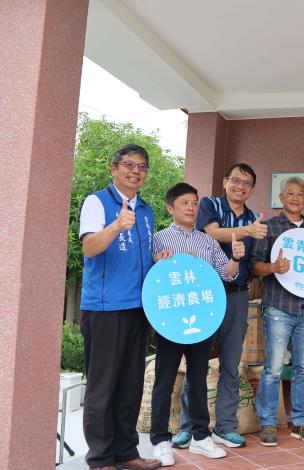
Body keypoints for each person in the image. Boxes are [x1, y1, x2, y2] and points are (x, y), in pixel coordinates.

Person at [172, 163, 268, 450]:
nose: (240, 186)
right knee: (197, 363)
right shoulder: (210, 205)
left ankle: (225, 427)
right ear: (225, 181)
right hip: (205, 293)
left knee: (230, 364)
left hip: (238, 295)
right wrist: (248, 230)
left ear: (252, 188)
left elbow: (250, 261)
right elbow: (210, 233)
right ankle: (189, 427)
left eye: (247, 183)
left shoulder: (253, 216)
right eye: (236, 180)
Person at [149, 183, 246, 466]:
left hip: (201, 321)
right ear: (170, 208)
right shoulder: (159, 239)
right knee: (164, 381)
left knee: (198, 378)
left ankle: (201, 437)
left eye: (194, 203)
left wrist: (236, 258)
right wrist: (158, 261)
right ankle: (160, 440)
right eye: (184, 203)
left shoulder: (207, 241)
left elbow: (226, 275)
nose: (191, 208)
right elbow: (150, 279)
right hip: (169, 321)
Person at [78, 144, 160, 470]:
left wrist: (159, 258)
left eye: (142, 167)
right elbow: (90, 246)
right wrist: (115, 226)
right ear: (114, 169)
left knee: (130, 385)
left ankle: (126, 453)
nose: (135, 171)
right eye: (129, 164)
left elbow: (139, 258)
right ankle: (100, 459)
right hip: (104, 309)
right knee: (102, 389)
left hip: (137, 308)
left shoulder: (147, 211)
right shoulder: (97, 202)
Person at [250, 176, 304, 447]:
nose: (295, 198)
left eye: (300, 194)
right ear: (281, 197)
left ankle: (300, 422)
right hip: (278, 307)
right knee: (273, 369)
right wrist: (273, 267)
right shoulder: (270, 227)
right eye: (290, 193)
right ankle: (268, 423)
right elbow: (254, 267)